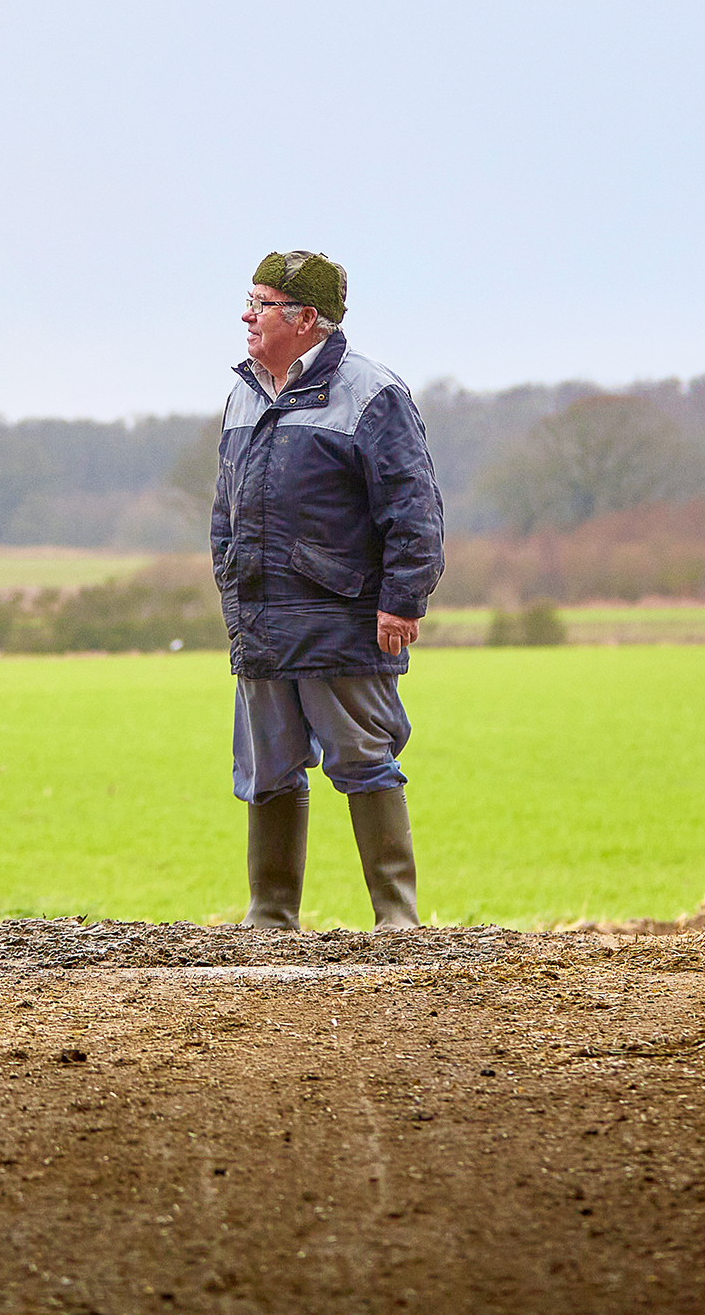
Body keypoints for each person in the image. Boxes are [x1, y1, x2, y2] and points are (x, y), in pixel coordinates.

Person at [212, 250, 445, 929]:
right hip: (258, 621)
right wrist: (230, 579)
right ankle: (270, 916)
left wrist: (403, 599)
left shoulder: (374, 393)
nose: (248, 315)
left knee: (365, 760)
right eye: (250, 299)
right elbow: (224, 507)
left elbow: (414, 510)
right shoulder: (242, 392)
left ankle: (396, 919)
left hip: (340, 621)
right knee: (268, 768)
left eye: (262, 303)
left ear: (306, 318)